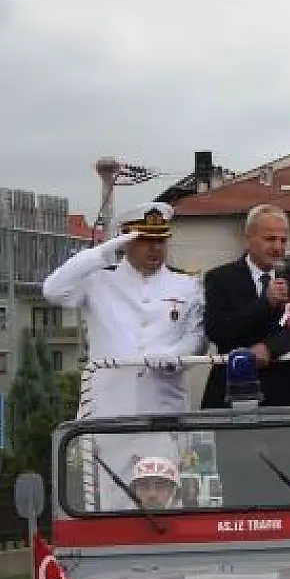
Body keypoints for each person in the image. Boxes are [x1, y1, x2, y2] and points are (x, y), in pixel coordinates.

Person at [42, 202, 204, 504]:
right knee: (113, 503)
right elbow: (52, 290)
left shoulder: (187, 285)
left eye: (160, 240)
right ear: (126, 240)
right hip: (110, 411)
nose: (155, 248)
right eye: (144, 240)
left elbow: (197, 336)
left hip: (162, 410)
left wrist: (174, 354)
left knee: (165, 501)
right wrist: (103, 252)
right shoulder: (99, 281)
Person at [201, 205, 290, 408]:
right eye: (270, 239)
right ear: (248, 239)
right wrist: (265, 304)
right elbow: (217, 329)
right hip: (233, 387)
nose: (277, 247)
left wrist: (270, 348)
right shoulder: (220, 278)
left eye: (283, 240)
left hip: (286, 389)